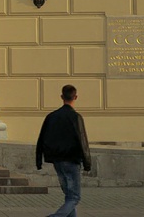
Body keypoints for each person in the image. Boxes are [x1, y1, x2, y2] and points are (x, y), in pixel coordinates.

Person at [36, 84, 91, 217]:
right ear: (76, 97)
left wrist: (39, 160)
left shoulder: (51, 116)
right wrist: (87, 162)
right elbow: (82, 140)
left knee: (69, 195)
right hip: (72, 160)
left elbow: (41, 138)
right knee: (74, 197)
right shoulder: (76, 117)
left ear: (62, 96)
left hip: (57, 160)